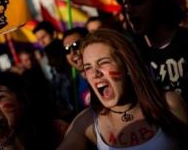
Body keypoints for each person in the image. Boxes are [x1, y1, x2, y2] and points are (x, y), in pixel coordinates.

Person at [57, 29, 188, 150]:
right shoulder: (87, 122)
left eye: (103, 62)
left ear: (127, 65)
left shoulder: (169, 104)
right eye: (88, 67)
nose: (95, 73)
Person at [118, 0, 188, 102]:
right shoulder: (133, 55)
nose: (129, 10)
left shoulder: (185, 40)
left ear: (158, 3)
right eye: (125, 6)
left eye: (137, 2)